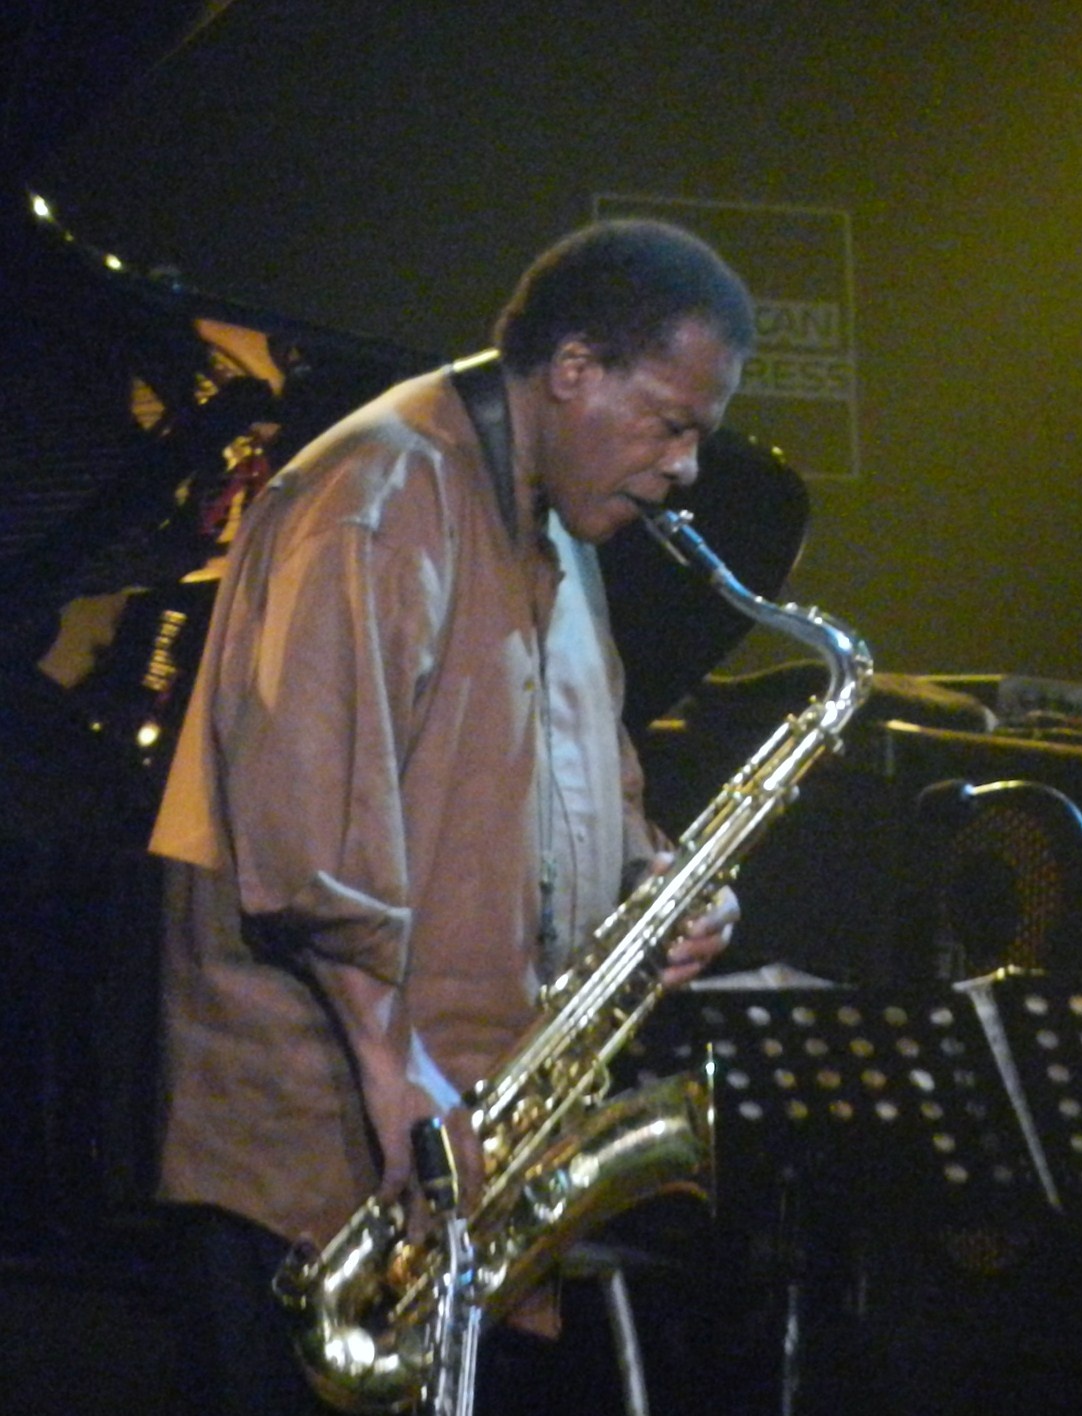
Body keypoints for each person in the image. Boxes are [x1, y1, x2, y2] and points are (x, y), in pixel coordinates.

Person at [147, 219, 753, 1415]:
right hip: (322, 1176)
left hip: (452, 1152)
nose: (686, 467)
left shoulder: (560, 527)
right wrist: (399, 1071)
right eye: (671, 423)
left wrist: (665, 883)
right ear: (574, 369)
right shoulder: (377, 494)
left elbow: (590, 779)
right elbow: (305, 841)